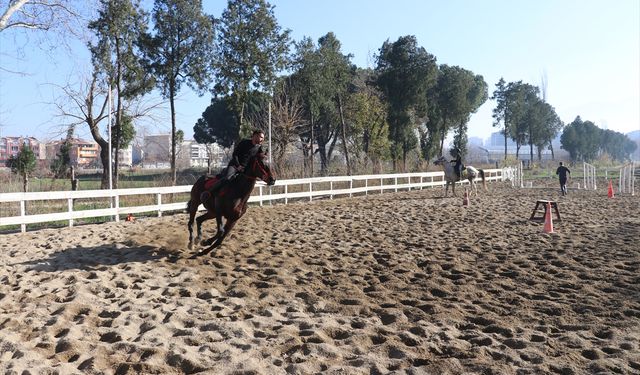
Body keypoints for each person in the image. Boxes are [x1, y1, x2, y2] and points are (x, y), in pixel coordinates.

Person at [208, 129, 265, 196]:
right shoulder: (244, 142)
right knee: (227, 178)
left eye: (263, 138)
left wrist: (264, 156)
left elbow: (260, 158)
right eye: (261, 137)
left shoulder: (259, 147)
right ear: (255, 136)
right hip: (234, 166)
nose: (262, 139)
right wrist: (238, 166)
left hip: (245, 169)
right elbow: (235, 155)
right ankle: (209, 192)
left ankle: (243, 202)